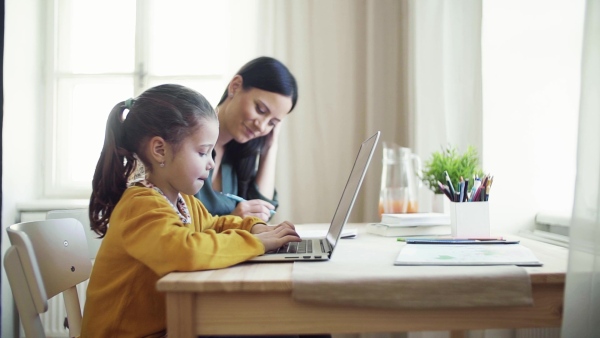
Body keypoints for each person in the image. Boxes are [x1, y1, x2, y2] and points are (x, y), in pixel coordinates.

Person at [81, 84, 301, 338]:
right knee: (279, 327)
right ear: (160, 150)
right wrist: (257, 242)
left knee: (289, 324)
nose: (210, 163)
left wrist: (256, 227)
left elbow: (216, 225)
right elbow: (184, 251)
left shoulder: (183, 201)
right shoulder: (140, 204)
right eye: (202, 152)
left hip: (165, 327)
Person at [195, 56, 298, 222]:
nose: (262, 127)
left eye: (272, 123)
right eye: (260, 109)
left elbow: (263, 213)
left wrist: (270, 147)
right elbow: (176, 227)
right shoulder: (188, 142)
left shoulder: (237, 158)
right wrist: (231, 221)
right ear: (235, 87)